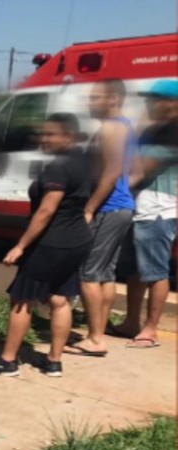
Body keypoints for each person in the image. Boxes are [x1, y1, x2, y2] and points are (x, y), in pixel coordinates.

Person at [0, 113, 93, 377]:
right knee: (60, 299)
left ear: (70, 136)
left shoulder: (58, 167)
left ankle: (7, 361)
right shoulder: (83, 163)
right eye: (42, 133)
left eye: (51, 134)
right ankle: (54, 361)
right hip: (77, 240)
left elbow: (46, 211)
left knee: (22, 299)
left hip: (51, 242)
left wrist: (20, 246)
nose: (44, 139)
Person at [66, 79, 137, 357]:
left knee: (88, 273)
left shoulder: (110, 128)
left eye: (96, 98)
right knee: (106, 273)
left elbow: (110, 173)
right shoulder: (124, 127)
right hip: (120, 207)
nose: (90, 102)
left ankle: (95, 339)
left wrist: (89, 209)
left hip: (108, 208)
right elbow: (133, 171)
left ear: (113, 99)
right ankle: (99, 329)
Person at [111, 79, 178, 348]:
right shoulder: (154, 130)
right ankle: (131, 322)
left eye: (154, 99)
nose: (148, 104)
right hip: (140, 206)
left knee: (155, 271)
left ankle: (150, 329)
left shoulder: (173, 133)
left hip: (158, 209)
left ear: (171, 103)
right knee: (135, 270)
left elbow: (142, 169)